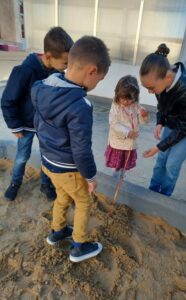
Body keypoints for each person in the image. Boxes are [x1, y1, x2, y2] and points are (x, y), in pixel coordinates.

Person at [31, 36, 111, 263]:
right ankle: (80, 245)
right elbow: (81, 148)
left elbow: (38, 123)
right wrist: (90, 175)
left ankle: (57, 231)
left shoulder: (43, 87)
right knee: (84, 201)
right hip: (67, 167)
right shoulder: (80, 105)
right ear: (92, 71)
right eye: (100, 80)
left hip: (49, 163)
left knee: (63, 196)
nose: (97, 85)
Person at [1, 27, 73, 201]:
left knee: (46, 157)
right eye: (65, 63)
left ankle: (45, 184)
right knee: (22, 156)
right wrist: (14, 126)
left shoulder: (57, 73)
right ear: (48, 56)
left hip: (46, 127)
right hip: (24, 126)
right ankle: (15, 183)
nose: (67, 67)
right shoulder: (25, 71)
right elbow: (8, 100)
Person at [140, 44, 186, 197]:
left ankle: (165, 195)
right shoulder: (161, 81)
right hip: (173, 121)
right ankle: (153, 190)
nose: (150, 92)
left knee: (172, 164)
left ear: (168, 77)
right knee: (161, 160)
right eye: (146, 88)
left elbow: (184, 128)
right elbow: (162, 105)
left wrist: (158, 146)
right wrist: (160, 122)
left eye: (151, 87)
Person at [105, 75, 149, 180]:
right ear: (117, 95)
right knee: (117, 166)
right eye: (123, 98)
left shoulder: (136, 105)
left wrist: (144, 116)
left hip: (130, 144)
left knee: (124, 164)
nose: (125, 102)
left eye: (129, 99)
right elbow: (114, 123)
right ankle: (115, 179)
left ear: (135, 97)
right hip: (118, 143)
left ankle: (122, 178)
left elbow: (142, 122)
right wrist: (127, 132)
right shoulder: (115, 106)